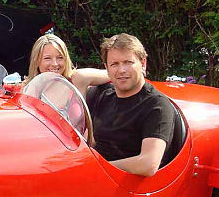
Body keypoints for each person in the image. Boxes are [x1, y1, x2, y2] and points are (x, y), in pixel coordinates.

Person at [87, 33, 175, 177]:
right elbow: (89, 143)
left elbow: (149, 163)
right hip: (95, 181)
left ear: (143, 63)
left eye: (128, 62)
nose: (122, 70)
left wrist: (96, 168)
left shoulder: (157, 105)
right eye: (114, 64)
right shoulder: (104, 97)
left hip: (130, 188)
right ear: (106, 68)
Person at [26, 34, 108, 92]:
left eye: (60, 57)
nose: (55, 64)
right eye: (47, 58)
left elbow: (113, 74)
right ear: (36, 61)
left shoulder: (77, 78)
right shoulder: (28, 89)